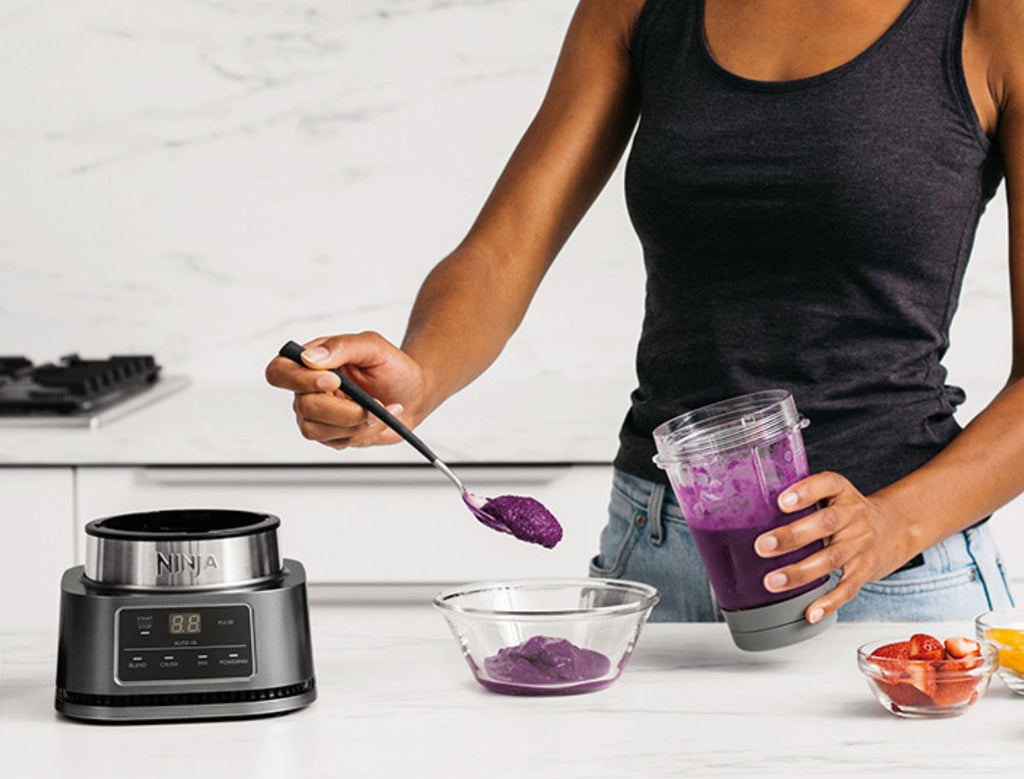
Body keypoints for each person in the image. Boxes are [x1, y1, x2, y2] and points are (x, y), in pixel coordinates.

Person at [266, 0, 1023, 623]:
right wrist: (420, 375)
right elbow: (504, 248)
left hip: (888, 573)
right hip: (657, 556)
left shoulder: (994, 18)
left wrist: (890, 525)